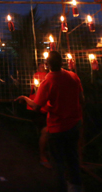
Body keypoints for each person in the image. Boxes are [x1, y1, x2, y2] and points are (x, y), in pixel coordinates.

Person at [17, 51, 83, 192]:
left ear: (47, 65)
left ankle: (61, 188)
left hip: (57, 128)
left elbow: (36, 106)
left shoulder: (48, 82)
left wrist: (25, 98)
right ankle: (76, 187)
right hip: (74, 125)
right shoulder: (73, 76)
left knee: (58, 162)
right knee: (73, 158)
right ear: (62, 62)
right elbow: (82, 99)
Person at [30, 63, 51, 168]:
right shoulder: (37, 75)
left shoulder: (50, 76)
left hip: (50, 108)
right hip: (41, 108)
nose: (43, 67)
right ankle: (43, 155)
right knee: (45, 131)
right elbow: (33, 89)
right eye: (40, 65)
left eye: (44, 65)